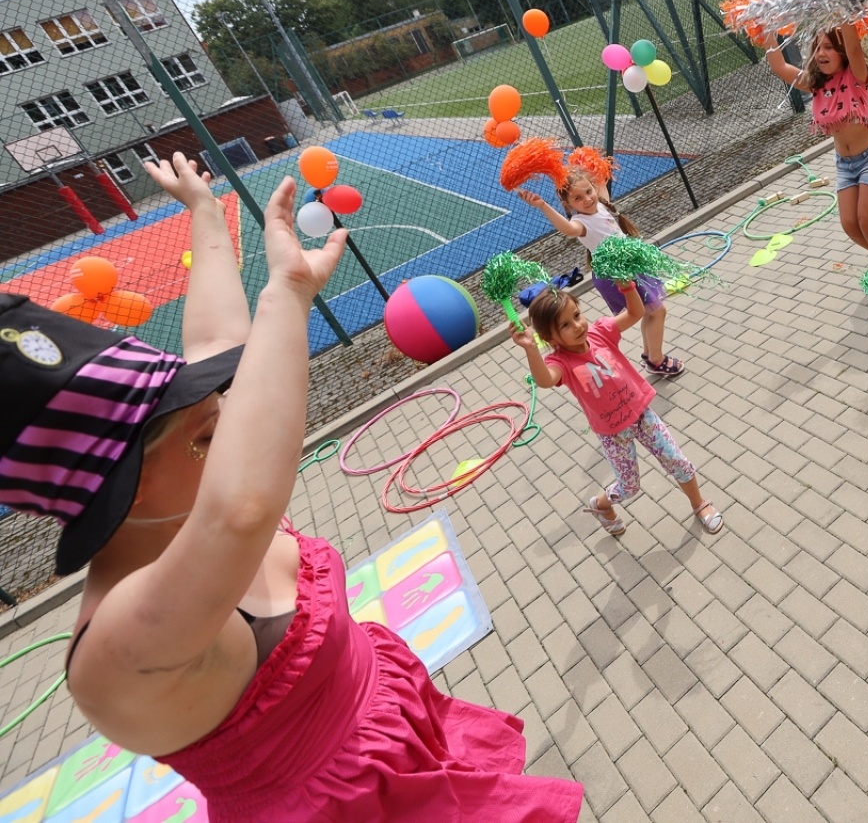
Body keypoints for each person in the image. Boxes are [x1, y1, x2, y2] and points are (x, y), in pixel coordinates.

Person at [0, 154, 583, 821]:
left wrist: (202, 211)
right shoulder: (112, 655)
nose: (231, 413)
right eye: (203, 432)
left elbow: (221, 342)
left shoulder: (173, 499)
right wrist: (286, 295)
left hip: (397, 747)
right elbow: (242, 511)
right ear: (119, 487)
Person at [513, 283, 722, 538]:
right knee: (629, 487)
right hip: (613, 433)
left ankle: (699, 504)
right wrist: (531, 349)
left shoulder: (600, 332)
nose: (577, 325)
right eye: (565, 325)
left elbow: (634, 313)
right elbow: (545, 380)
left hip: (642, 415)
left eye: (576, 315)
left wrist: (628, 287)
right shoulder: (560, 362)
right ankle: (602, 505)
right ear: (550, 338)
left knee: (677, 460)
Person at [519, 169, 683, 377]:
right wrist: (542, 205)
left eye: (589, 191)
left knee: (650, 311)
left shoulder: (600, 205)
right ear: (569, 205)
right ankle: (656, 360)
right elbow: (568, 229)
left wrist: (597, 166)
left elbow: (601, 184)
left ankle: (650, 355)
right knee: (656, 311)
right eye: (578, 198)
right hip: (616, 275)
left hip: (630, 267)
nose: (587, 199)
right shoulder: (581, 223)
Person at [764, 28, 868, 258]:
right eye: (818, 47)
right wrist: (764, 30)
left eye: (829, 47)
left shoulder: (856, 76)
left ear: (842, 52)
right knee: (850, 225)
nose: (821, 52)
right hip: (845, 164)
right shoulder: (815, 84)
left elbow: (854, 47)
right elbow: (779, 67)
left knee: (866, 221)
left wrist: (844, 10)